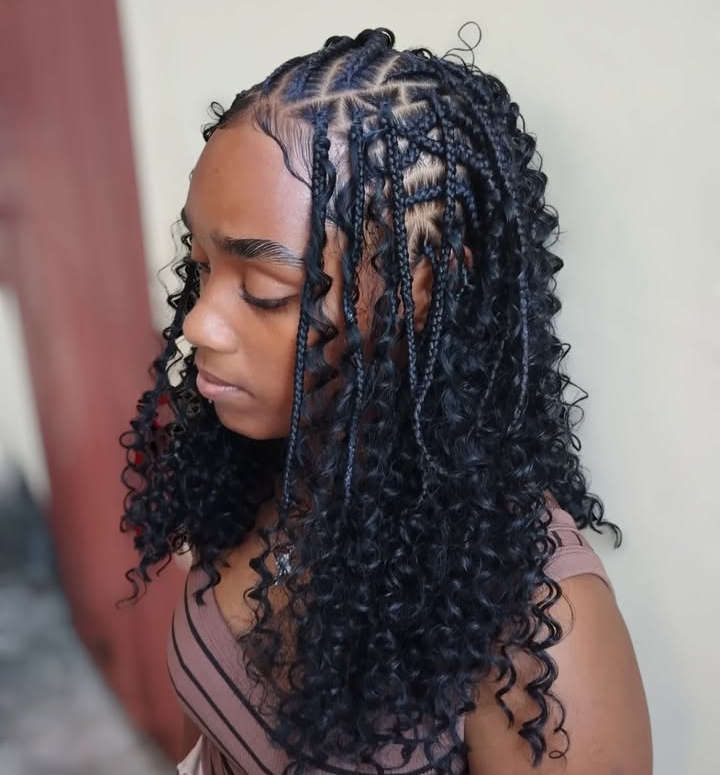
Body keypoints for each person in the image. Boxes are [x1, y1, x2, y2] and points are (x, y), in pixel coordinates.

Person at [121, 27, 652, 775]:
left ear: (423, 287)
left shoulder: (535, 629)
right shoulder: (260, 461)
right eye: (200, 264)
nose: (199, 323)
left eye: (265, 290)